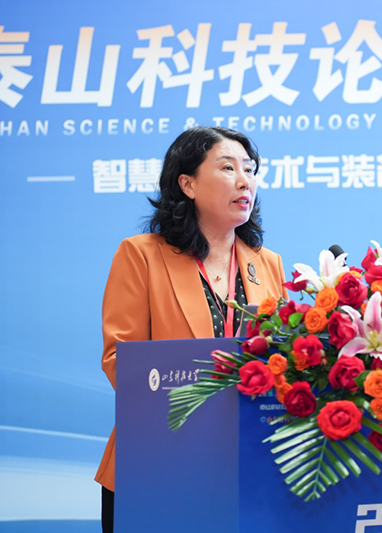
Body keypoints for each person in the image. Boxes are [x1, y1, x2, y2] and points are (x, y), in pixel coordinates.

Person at [94, 127, 288, 532]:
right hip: (159, 461)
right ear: (188, 184)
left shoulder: (266, 262)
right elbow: (119, 361)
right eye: (228, 168)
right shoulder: (141, 255)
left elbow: (280, 357)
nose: (244, 181)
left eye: (249, 170)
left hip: (247, 466)